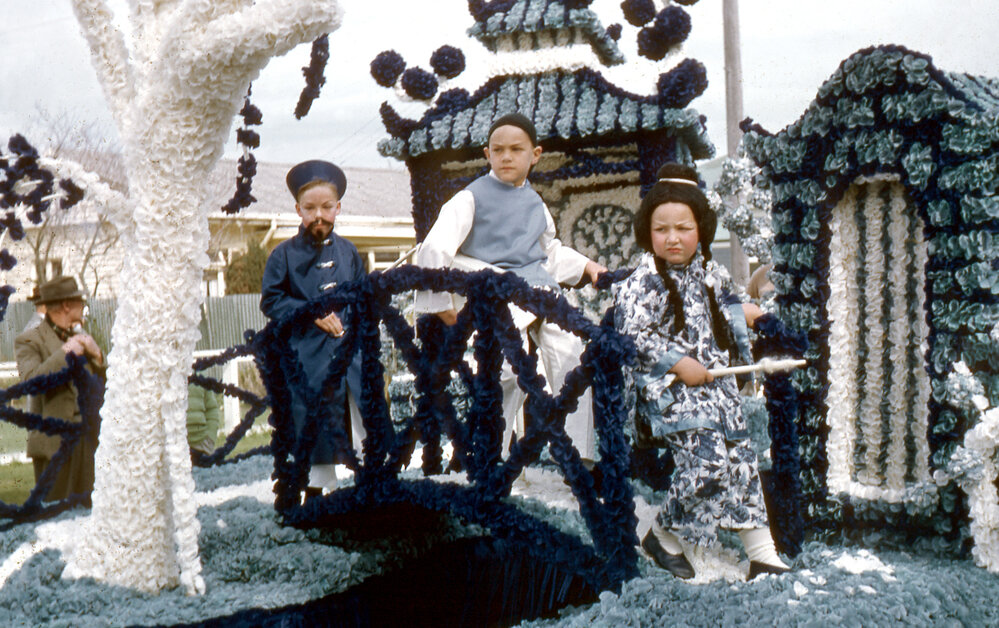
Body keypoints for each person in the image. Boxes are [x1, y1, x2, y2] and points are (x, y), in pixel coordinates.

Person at [613, 163, 789, 580]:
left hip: (712, 384)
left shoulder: (711, 271)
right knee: (708, 465)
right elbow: (632, 336)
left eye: (683, 228)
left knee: (740, 457)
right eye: (661, 230)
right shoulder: (642, 280)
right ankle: (662, 533)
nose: (672, 238)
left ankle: (762, 551)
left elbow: (719, 312)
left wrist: (743, 312)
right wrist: (678, 362)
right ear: (647, 232)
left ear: (702, 229)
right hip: (666, 387)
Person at [415, 112, 607, 464]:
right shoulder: (470, 198)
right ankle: (491, 454)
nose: (506, 156)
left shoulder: (535, 202)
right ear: (487, 154)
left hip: (540, 291)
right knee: (503, 371)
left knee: (572, 358)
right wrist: (441, 302)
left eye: (516, 149)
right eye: (498, 149)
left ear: (534, 154)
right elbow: (435, 248)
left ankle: (580, 458)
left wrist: (587, 266)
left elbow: (548, 252)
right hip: (499, 295)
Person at [260, 160, 365, 496]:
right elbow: (271, 301)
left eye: (326, 207)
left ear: (338, 208)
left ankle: (371, 492)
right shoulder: (283, 255)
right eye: (310, 208)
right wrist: (309, 311)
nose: (318, 215)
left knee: (365, 421)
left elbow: (363, 299)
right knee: (315, 428)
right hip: (308, 358)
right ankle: (317, 498)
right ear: (298, 210)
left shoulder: (349, 252)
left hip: (351, 358)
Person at [15, 275, 105, 502]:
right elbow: (31, 383)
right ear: (66, 305)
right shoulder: (29, 340)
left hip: (88, 443)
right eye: (79, 301)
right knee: (55, 521)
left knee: (89, 517)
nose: (84, 306)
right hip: (54, 447)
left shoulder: (83, 338)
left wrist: (99, 356)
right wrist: (65, 352)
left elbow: (107, 385)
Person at [187, 383, 220, 464]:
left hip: (201, 445)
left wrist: (210, 438)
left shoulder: (201, 376)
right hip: (171, 447)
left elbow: (212, 409)